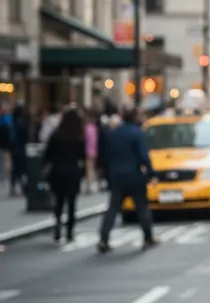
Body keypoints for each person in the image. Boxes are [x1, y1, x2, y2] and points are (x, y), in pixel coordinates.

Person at [96, 106, 159, 253]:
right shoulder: (137, 133)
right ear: (135, 116)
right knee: (142, 207)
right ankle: (148, 238)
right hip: (134, 175)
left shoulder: (113, 134)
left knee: (113, 208)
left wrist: (106, 174)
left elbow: (105, 157)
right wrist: (151, 173)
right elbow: (144, 156)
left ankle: (103, 239)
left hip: (116, 176)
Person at [43, 107, 86, 243]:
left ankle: (57, 225)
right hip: (73, 172)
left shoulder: (56, 136)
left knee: (59, 201)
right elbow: (82, 156)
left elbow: (47, 154)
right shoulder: (78, 138)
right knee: (72, 203)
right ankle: (69, 232)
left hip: (57, 172)